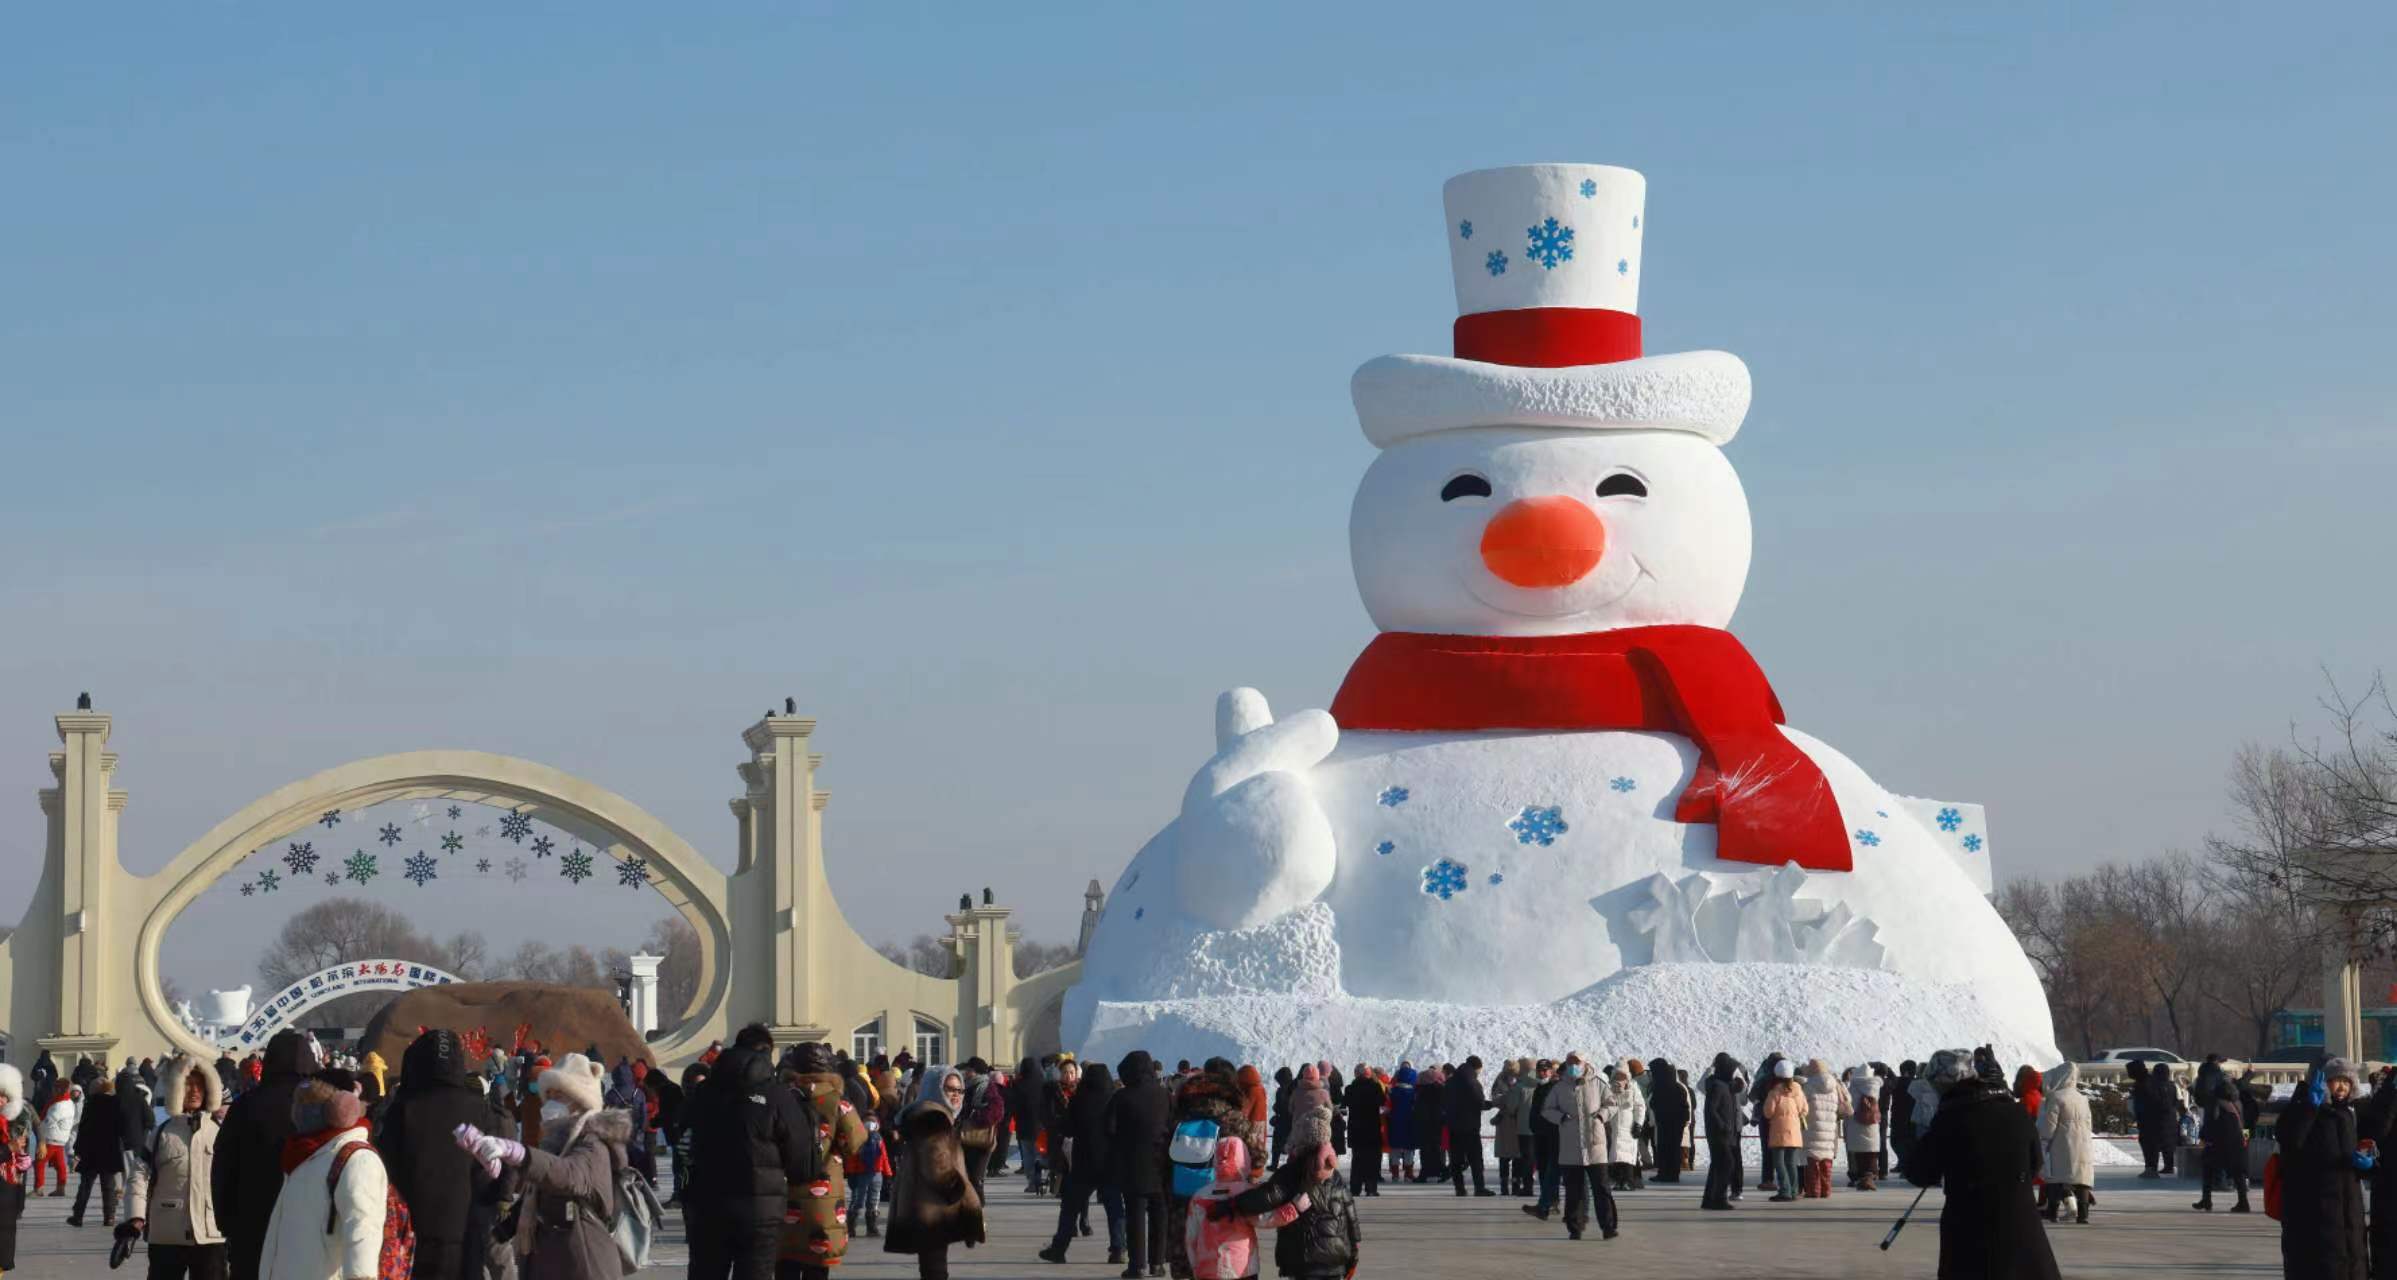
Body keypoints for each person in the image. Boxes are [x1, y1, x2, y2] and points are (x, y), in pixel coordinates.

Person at [455, 1053, 629, 1280]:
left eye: (561, 1095)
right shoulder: (556, 1142)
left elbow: (567, 1175)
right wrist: (503, 1230)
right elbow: (538, 1193)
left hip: (584, 1262)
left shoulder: (593, 1144)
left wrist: (518, 1153)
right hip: (552, 1259)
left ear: (581, 1100)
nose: (551, 1102)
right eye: (550, 1095)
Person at [1905, 1049, 2060, 1280]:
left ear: (1942, 1084)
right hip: (2022, 1227)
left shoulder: (1950, 1118)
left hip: (1971, 1232)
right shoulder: (2015, 1109)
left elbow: (1920, 1173)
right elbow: (2036, 1162)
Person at [681, 1028, 815, 1280]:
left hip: (708, 1204)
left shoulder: (705, 1092)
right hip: (760, 1210)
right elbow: (801, 1157)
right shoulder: (776, 1095)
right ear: (766, 1052)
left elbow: (684, 1137)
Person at [376, 1030, 489, 1280]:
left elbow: (386, 1166)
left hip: (412, 1227)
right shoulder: (478, 1107)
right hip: (464, 1226)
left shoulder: (404, 1107)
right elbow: (488, 1170)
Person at [255, 1075, 387, 1280]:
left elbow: (363, 1226)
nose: (299, 1111)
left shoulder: (356, 1158)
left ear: (336, 1109)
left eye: (309, 1103)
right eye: (298, 1102)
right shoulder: (301, 1155)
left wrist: (360, 1276)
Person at [213, 1028, 315, 1280]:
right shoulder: (319, 1105)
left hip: (251, 1222)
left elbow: (223, 1165)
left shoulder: (245, 1105)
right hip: (309, 1226)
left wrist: (225, 1221)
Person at [1211, 1120, 1361, 1280]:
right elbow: (1350, 1215)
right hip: (1335, 1262)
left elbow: (1266, 1197)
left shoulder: (1292, 1172)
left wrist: (1233, 1204)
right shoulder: (1335, 1175)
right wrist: (1354, 1254)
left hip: (1303, 1259)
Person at [124, 1056, 228, 1280]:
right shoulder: (162, 1133)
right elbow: (139, 1176)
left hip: (211, 1235)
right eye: (188, 1085)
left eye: (200, 1086)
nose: (194, 1092)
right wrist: (135, 1218)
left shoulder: (220, 1133)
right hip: (167, 1234)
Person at [884, 1066, 986, 1280]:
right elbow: (937, 1163)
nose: (956, 1094)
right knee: (936, 1269)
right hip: (932, 1207)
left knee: (932, 1266)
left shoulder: (925, 1113)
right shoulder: (934, 1117)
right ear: (935, 1089)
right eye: (950, 1089)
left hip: (924, 1203)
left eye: (960, 1090)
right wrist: (957, 1191)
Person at [780, 1043, 868, 1280]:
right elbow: (855, 1141)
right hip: (825, 1196)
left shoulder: (781, 1097)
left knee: (785, 1260)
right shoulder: (838, 1101)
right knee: (817, 1263)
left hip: (784, 1191)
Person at [2276, 1059, 2367, 1280]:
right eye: (2336, 1080)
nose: (2342, 1087)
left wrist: (2365, 1165)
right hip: (2317, 1207)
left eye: (2346, 1081)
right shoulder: (2301, 1109)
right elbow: (2291, 1141)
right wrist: (2310, 1108)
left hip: (2349, 1208)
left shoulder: (2347, 1115)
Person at [1181, 1135, 1298, 1280]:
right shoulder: (1248, 1194)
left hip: (1208, 1268)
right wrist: (1293, 1209)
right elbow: (1266, 1219)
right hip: (1242, 1268)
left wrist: (1195, 1266)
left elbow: (1191, 1236)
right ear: (1244, 1161)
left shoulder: (1200, 1196)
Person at [1042, 1061, 1123, 1264]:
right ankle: (1118, 1249)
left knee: (1070, 1208)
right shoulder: (1114, 1100)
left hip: (1083, 1163)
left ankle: (1059, 1248)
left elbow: (1068, 1128)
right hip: (1109, 1163)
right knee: (1114, 1208)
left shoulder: (1080, 1099)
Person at [1106, 1052, 1173, 1280]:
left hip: (1132, 1163)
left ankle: (1137, 1266)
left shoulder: (1121, 1097)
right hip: (1161, 1163)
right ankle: (1158, 1263)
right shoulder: (1165, 1095)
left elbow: (1109, 1129)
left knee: (1135, 1215)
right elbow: (1174, 1124)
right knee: (1159, 1214)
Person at [1538, 1054, 1616, 1241]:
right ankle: (1575, 1227)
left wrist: (1600, 1117)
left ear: (1585, 1063)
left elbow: (1612, 1104)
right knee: (1574, 1191)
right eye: (1571, 1062)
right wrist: (1561, 1118)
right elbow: (1547, 1110)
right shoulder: (1559, 1087)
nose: (1574, 1066)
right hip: (1570, 1147)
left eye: (1577, 1062)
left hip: (1595, 1147)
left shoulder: (1598, 1084)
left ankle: (1608, 1227)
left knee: (1602, 1189)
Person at [2036, 1061, 2093, 1224]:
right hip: (2083, 1144)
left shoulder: (2056, 1097)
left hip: (2061, 1145)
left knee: (2056, 1179)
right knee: (2081, 1180)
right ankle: (2083, 1215)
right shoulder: (2083, 1098)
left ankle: (2052, 1212)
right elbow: (2089, 1124)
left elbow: (2049, 1125)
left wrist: (2044, 1140)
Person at [71, 1075, 129, 1226]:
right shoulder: (116, 1103)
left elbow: (83, 1129)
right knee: (108, 1186)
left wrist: (78, 1149)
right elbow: (122, 1126)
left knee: (85, 1185)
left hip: (91, 1150)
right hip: (110, 1150)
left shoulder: (90, 1104)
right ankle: (109, 1217)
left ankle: (78, 1216)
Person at [2192, 1061, 2249, 1213]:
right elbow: (2244, 1123)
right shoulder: (2238, 1103)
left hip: (2219, 1144)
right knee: (2238, 1173)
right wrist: (2245, 1141)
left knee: (2207, 1168)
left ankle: (2206, 1199)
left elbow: (2210, 1124)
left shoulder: (2216, 1103)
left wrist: (2203, 1138)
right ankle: (2243, 1202)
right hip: (2237, 1142)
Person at [1445, 1056, 1496, 1197]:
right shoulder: (1473, 1082)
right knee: (1475, 1159)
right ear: (1477, 1067)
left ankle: (1459, 1188)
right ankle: (1479, 1188)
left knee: (1456, 1160)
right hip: (1470, 1127)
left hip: (1454, 1127)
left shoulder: (1450, 1082)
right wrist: (1491, 1104)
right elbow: (1479, 1103)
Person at [1759, 1059, 1808, 1202]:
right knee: (1791, 1162)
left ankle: (1784, 1191)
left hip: (1779, 1132)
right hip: (1794, 1132)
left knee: (1779, 1163)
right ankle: (1793, 1191)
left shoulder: (1774, 1092)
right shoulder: (1798, 1090)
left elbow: (1768, 1112)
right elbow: (1805, 1109)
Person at [1699, 1054, 1742, 1211]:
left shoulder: (1722, 1085)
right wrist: (1723, 1125)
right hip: (1719, 1133)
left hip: (1723, 1132)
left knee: (1718, 1165)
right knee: (1727, 1164)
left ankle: (1709, 1199)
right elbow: (1711, 1109)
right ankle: (1719, 1198)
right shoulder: (1717, 1086)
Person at [1798, 1058, 1847, 1199]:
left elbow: (1802, 1107)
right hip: (1830, 1129)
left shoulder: (1808, 1086)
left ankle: (1814, 1191)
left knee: (1813, 1164)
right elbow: (1841, 1107)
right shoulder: (1834, 1086)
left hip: (1812, 1129)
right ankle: (1826, 1190)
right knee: (1826, 1163)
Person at [1, 1064, 31, 1277]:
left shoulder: (6, 1123)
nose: (2, 1100)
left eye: (5, 1096)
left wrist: (19, 1154)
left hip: (6, 1195)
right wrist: (7, 1149)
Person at [1600, 1064, 1646, 1193]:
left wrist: (1638, 1123)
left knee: (1628, 1155)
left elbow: (1640, 1106)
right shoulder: (1609, 1087)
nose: (1620, 1078)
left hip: (1628, 1126)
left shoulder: (1633, 1088)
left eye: (1623, 1075)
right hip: (1613, 1125)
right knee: (1615, 1155)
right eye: (1617, 1075)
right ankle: (1617, 1180)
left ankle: (1629, 1181)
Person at [1339, 1067, 1383, 1197]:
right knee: (1372, 1160)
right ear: (1369, 1075)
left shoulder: (1350, 1089)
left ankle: (1355, 1188)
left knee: (1357, 1160)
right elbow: (1382, 1101)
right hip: (1372, 1129)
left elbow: (1344, 1105)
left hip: (1356, 1130)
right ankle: (1371, 1188)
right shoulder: (1376, 1087)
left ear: (1356, 1074)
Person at [1646, 1059, 1688, 1185]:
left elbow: (1653, 1103)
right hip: (1676, 1123)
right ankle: (1673, 1174)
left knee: (1664, 1148)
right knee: (1673, 1148)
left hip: (1665, 1122)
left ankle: (1664, 1174)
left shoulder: (1659, 1085)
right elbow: (1685, 1106)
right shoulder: (1677, 1086)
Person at [1013, 1058, 1050, 1195]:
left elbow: (1014, 1106)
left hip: (1024, 1126)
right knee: (1041, 1154)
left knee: (1028, 1155)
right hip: (1041, 1126)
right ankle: (1043, 1179)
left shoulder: (1018, 1085)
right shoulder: (1044, 1084)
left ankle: (1032, 1182)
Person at [1843, 1065, 1882, 1192]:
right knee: (1871, 1155)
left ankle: (1863, 1180)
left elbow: (1850, 1107)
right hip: (1872, 1126)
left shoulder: (1854, 1088)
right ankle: (1869, 1177)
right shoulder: (1875, 1087)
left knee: (1859, 1155)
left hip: (1857, 1126)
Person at [36, 1084, 75, 1197]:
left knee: (40, 1162)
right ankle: (61, 1188)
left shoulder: (58, 1105)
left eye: (54, 1089)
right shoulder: (69, 1102)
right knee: (60, 1164)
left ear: (58, 1089)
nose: (52, 1091)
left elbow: (49, 1121)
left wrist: (41, 1133)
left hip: (51, 1138)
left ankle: (39, 1188)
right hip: (61, 1138)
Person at [1383, 1065, 1418, 1185]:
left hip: (1395, 1123)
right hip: (1410, 1123)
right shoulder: (1414, 1093)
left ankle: (1395, 1175)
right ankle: (1408, 1174)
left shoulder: (1392, 1092)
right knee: (1409, 1149)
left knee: (1395, 1149)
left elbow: (1387, 1108)